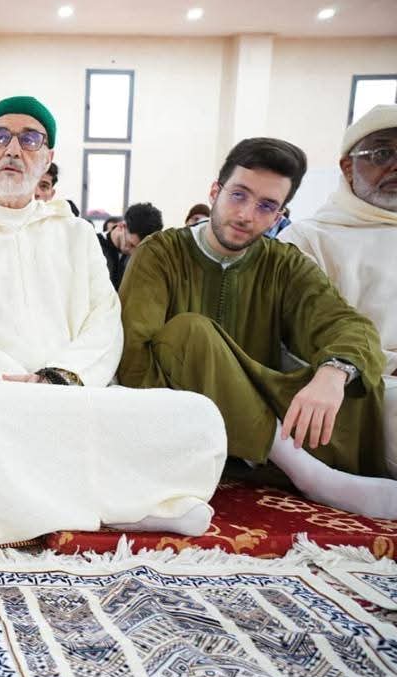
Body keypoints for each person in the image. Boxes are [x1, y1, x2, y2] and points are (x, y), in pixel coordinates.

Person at [0, 95, 225, 547]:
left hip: (67, 393)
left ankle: (30, 505)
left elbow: (105, 320)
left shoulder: (76, 233)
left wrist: (57, 379)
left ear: (47, 158)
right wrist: (14, 386)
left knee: (197, 415)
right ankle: (128, 504)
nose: (12, 149)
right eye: (0, 137)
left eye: (29, 139)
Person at [119, 137, 395, 519]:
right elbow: (133, 359)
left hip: (263, 427)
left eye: (266, 206)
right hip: (179, 418)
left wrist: (334, 373)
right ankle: (312, 475)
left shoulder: (284, 264)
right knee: (191, 334)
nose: (246, 215)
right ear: (215, 192)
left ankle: (268, 450)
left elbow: (348, 326)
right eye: (238, 195)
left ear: (280, 215)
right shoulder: (160, 253)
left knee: (357, 374)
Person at [280, 104, 396, 478]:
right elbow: (296, 344)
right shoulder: (307, 240)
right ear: (347, 167)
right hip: (359, 390)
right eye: (383, 154)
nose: (395, 166)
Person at [98, 201, 162, 289]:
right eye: (131, 245)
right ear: (121, 225)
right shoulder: (93, 246)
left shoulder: (144, 256)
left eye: (139, 249)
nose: (133, 253)